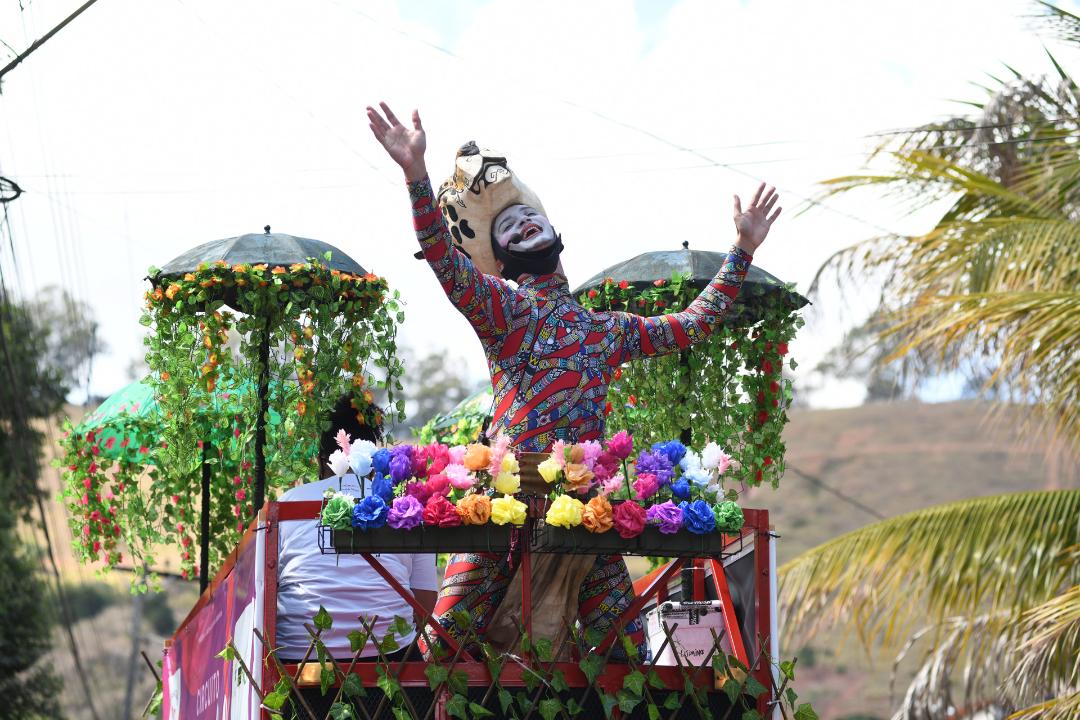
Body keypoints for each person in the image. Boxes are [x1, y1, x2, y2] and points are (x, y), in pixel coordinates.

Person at [366, 102, 780, 658]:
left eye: (527, 216)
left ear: (556, 234)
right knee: (440, 650)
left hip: (584, 515)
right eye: (508, 227)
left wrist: (743, 250)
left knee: (626, 657)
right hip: (502, 508)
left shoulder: (606, 331)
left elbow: (691, 325)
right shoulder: (502, 313)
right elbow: (444, 260)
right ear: (504, 258)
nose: (523, 223)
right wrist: (416, 176)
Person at [275, 395, 438, 662]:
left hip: (298, 658)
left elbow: (264, 590)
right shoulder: (404, 508)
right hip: (389, 659)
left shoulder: (287, 504)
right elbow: (423, 603)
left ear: (321, 458)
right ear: (373, 458)